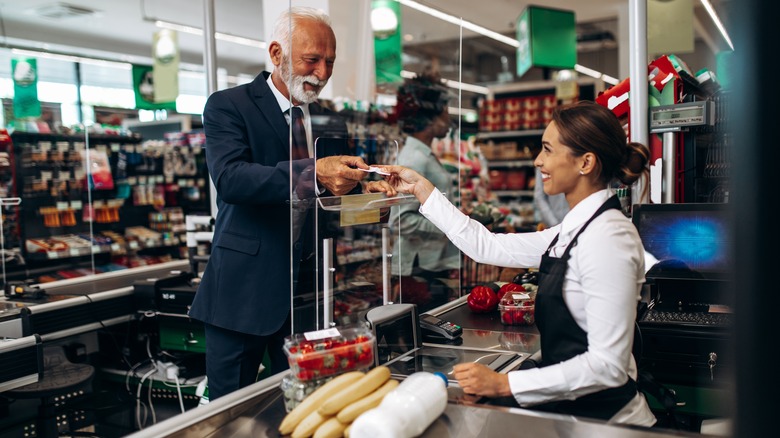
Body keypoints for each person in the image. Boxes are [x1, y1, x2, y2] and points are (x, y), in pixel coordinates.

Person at [376, 100, 656, 426]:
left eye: (548, 150)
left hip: (612, 424)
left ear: (586, 162)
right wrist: (422, 189)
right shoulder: (574, 230)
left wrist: (503, 383)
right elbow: (486, 246)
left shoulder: (609, 239)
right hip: (578, 416)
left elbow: (608, 365)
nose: (538, 161)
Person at [188, 6, 393, 401]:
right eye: (311, 60)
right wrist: (315, 171)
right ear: (277, 54)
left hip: (309, 294)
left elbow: (335, 199)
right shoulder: (228, 105)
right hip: (242, 294)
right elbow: (231, 180)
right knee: (232, 410)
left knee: (306, 404)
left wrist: (370, 202)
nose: (321, 73)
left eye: (329, 62)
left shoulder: (332, 122)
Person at [389, 70, 460, 311]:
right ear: (430, 118)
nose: (449, 119)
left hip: (429, 267)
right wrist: (450, 225)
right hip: (419, 271)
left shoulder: (425, 155)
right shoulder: (414, 159)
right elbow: (400, 221)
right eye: (445, 112)